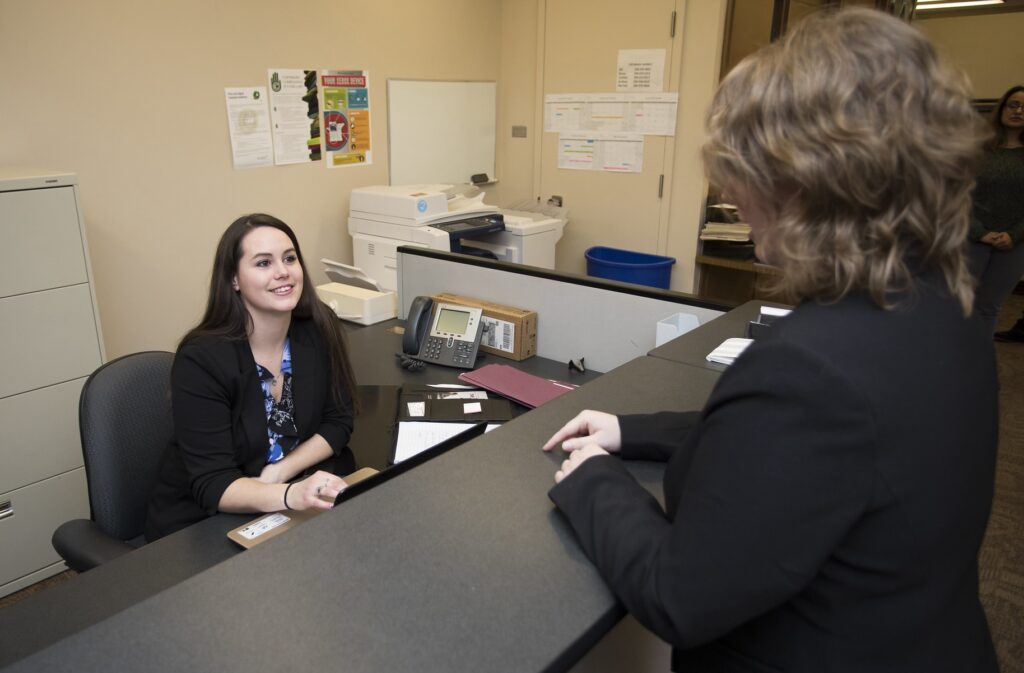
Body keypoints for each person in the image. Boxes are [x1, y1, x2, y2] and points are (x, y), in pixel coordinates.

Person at [543, 9, 999, 672]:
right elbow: (789, 453)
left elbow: (679, 593)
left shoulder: (812, 368)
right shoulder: (940, 304)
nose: (730, 194)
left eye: (742, 171)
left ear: (808, 182)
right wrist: (627, 427)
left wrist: (593, 479)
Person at [144, 214, 357, 541]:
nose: (282, 272)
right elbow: (213, 484)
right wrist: (291, 494)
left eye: (289, 258)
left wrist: (281, 473)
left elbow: (338, 420)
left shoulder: (317, 326)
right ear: (234, 279)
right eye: (263, 263)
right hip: (204, 525)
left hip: (285, 506)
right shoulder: (201, 359)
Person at [969, 84, 1024, 334]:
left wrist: (1014, 235)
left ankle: (976, 367)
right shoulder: (976, 149)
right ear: (1002, 108)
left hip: (1013, 244)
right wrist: (979, 231)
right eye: (1013, 104)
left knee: (988, 307)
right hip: (972, 238)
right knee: (958, 304)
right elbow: (956, 196)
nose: (1019, 110)